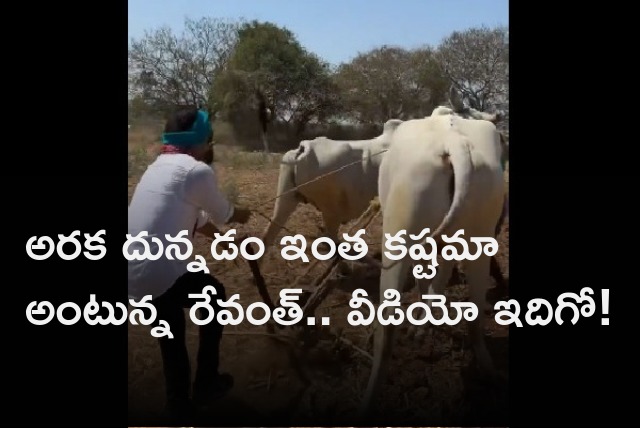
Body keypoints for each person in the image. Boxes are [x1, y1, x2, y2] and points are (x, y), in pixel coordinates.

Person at [127, 107, 252, 421]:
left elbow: (197, 215)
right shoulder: (197, 171)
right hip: (158, 273)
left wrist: (220, 240)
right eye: (209, 141)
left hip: (134, 268)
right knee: (176, 337)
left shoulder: (159, 166)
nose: (211, 147)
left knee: (209, 296)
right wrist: (241, 213)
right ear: (202, 141)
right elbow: (224, 213)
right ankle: (188, 400)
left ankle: (196, 389)